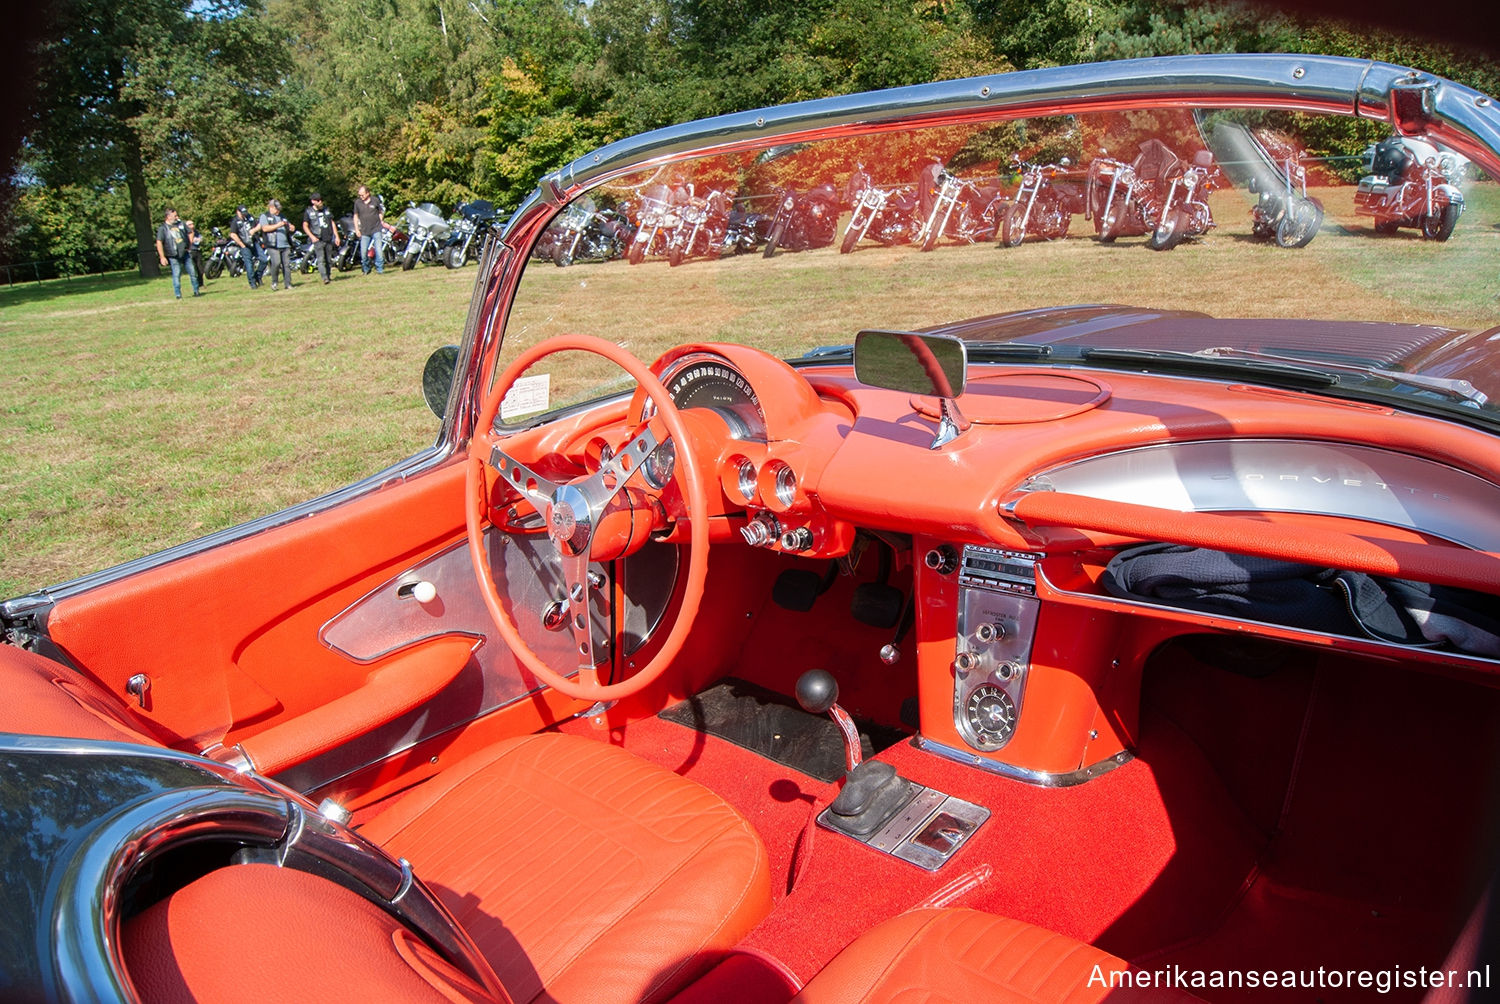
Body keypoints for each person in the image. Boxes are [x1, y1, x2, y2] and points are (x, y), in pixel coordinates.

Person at [154, 207, 201, 299]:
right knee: (176, 274)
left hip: (185, 253)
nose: (177, 217)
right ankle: (178, 295)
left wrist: (190, 243)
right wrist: (162, 257)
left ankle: (196, 291)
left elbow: (190, 232)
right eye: (174, 216)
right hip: (173, 255)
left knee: (193, 272)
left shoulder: (181, 224)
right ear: (168, 216)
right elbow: (159, 242)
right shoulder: (163, 228)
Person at [302, 192, 341, 284]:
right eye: (318, 200)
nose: (320, 202)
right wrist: (311, 236)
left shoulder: (326, 210)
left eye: (321, 200)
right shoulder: (309, 212)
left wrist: (336, 236)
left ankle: (328, 275)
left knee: (328, 259)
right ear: (313, 201)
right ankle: (324, 278)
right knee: (321, 259)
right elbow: (305, 225)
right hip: (317, 238)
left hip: (328, 237)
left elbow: (332, 223)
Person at [259, 198, 295, 290]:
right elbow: (265, 228)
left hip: (285, 244)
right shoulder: (265, 216)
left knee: (286, 265)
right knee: (276, 263)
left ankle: (288, 283)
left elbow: (288, 225)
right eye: (276, 209)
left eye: (279, 209)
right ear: (271, 207)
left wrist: (291, 227)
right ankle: (274, 282)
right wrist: (278, 225)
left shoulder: (282, 216)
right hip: (273, 244)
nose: (278, 211)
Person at [352, 185, 385, 274]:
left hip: (376, 229)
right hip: (364, 230)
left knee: (378, 250)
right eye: (359, 195)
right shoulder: (357, 203)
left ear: (368, 193)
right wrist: (357, 229)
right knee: (363, 252)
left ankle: (380, 268)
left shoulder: (375, 200)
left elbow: (381, 212)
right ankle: (366, 268)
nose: (361, 197)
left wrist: (380, 220)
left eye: (362, 195)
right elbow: (355, 216)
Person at [229, 206, 265, 289]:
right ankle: (252, 283)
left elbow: (259, 224)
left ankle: (258, 276)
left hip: (254, 242)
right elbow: (233, 234)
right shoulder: (235, 221)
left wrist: (254, 230)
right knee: (249, 264)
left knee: (264, 260)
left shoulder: (250, 217)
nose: (244, 215)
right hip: (244, 245)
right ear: (238, 212)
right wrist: (242, 244)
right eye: (242, 213)